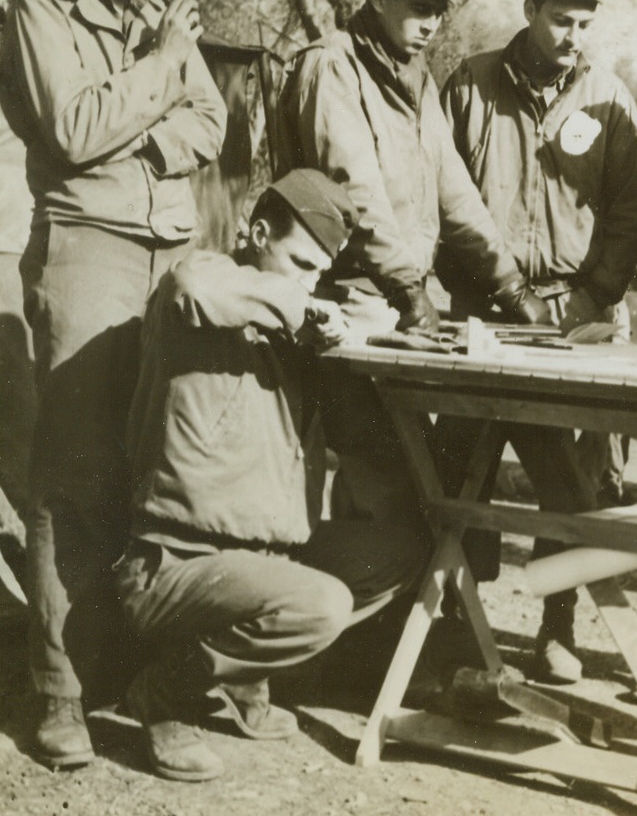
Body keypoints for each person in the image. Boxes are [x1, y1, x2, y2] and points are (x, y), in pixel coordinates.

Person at [0, 0, 226, 769]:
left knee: (166, 474)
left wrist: (144, 135)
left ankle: (157, 693)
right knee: (75, 471)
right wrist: (165, 65)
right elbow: (73, 130)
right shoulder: (38, 7)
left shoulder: (157, 13)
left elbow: (209, 124)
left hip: (172, 247)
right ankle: (59, 690)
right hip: (88, 250)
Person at [115, 169, 428, 782]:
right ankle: (167, 694)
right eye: (300, 263)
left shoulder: (291, 328)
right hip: (175, 565)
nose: (310, 283)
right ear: (257, 234)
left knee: (401, 553)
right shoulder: (201, 287)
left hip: (261, 561)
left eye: (319, 273)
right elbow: (190, 285)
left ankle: (242, 676)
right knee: (321, 605)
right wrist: (302, 304)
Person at [277, 0, 549, 529]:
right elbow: (356, 194)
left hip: (397, 304)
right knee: (380, 472)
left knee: (415, 473)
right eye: (418, 7)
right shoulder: (332, 67)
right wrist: (410, 292)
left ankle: (413, 613)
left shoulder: (415, 78)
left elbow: (456, 193)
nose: (430, 25)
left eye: (439, 12)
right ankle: (362, 614)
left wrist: (512, 287)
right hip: (346, 301)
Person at [438, 0, 637, 684]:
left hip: (571, 316)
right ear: (530, 10)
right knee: (460, 468)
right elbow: (442, 192)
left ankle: (555, 629)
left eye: (586, 23)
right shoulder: (468, 85)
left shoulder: (608, 98)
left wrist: (591, 300)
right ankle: (455, 620)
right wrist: (472, 295)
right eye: (562, 20)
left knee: (570, 480)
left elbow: (629, 214)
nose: (574, 36)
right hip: (481, 311)